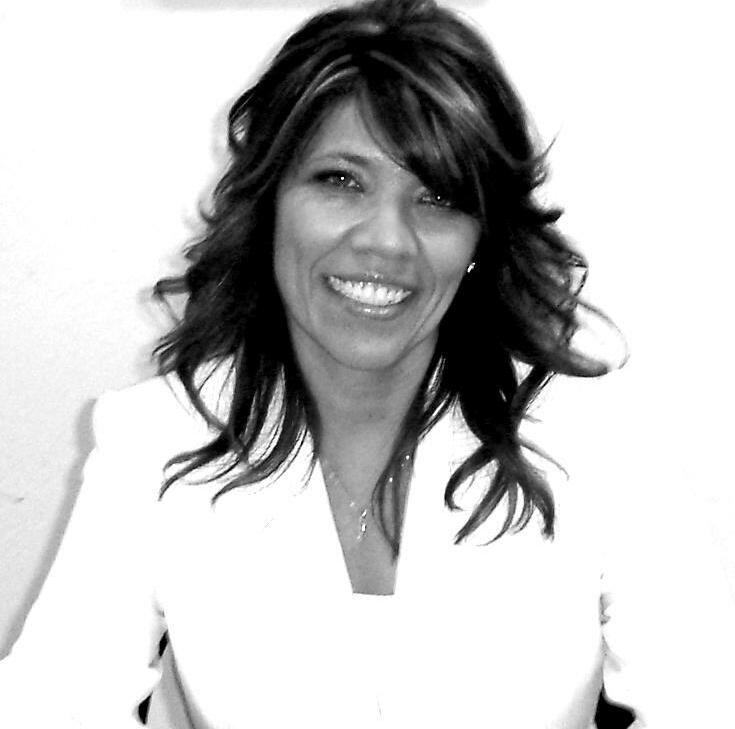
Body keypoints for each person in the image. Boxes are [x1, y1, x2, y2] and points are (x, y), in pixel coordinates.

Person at [1, 0, 733, 726]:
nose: (387, 239)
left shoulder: (601, 441)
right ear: (270, 200)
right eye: (341, 181)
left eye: (439, 197)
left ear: (480, 239)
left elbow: (706, 699)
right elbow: (52, 703)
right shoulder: (155, 439)